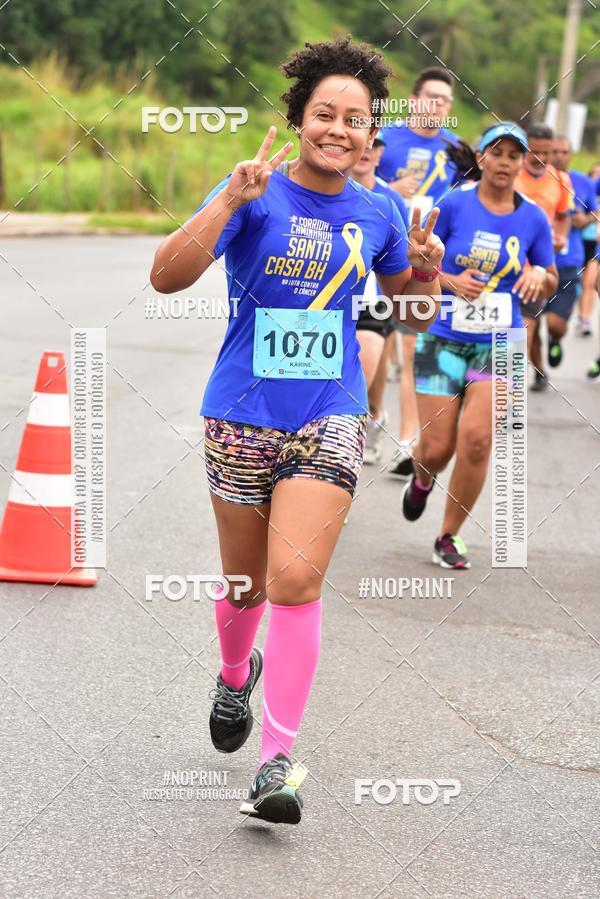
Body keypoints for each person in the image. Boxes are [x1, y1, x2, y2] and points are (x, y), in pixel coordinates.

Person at [150, 36, 444, 825]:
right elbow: (165, 274)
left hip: (330, 414)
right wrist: (226, 203)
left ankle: (276, 761)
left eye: (355, 119)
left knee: (294, 581)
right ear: (300, 119)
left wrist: (421, 267)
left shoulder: (380, 211)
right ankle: (231, 669)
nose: (339, 129)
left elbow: (408, 314)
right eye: (325, 114)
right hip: (240, 413)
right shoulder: (255, 190)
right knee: (246, 584)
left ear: (368, 133)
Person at [402, 123, 557, 569]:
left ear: (523, 162)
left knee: (477, 442)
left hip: (501, 343)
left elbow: (548, 276)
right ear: (483, 158)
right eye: (498, 152)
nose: (506, 162)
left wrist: (537, 276)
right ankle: (422, 480)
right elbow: (424, 261)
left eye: (515, 155)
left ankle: (448, 535)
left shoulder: (532, 217)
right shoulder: (454, 202)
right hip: (441, 336)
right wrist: (450, 280)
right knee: (436, 449)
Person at [377, 67, 462, 478]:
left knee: (411, 349)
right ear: (413, 100)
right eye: (431, 97)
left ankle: (408, 440)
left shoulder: (455, 149)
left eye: (445, 100)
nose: (439, 105)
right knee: (372, 350)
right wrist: (389, 184)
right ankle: (374, 418)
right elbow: (355, 173)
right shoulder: (387, 137)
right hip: (377, 250)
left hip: (423, 257)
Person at [351, 131, 410, 463]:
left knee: (360, 377)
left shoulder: (390, 201)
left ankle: (340, 473)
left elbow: (399, 261)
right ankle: (375, 416)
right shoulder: (326, 190)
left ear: (379, 154)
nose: (365, 152)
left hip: (374, 302)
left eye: (374, 147)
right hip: (327, 304)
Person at [514, 123, 571, 391]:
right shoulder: (511, 172)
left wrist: (560, 238)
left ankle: (508, 390)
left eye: (544, 153)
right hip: (501, 264)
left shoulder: (561, 179)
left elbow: (562, 217)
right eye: (533, 152)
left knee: (526, 327)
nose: (539, 158)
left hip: (536, 267)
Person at [548, 137, 598, 367]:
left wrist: (585, 220)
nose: (559, 156)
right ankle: (537, 373)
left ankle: (554, 340)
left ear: (571, 154)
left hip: (569, 258)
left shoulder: (583, 182)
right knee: (529, 324)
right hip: (534, 261)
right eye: (554, 151)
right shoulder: (538, 180)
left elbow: (595, 213)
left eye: (564, 151)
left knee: (555, 324)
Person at [578, 162, 600, 336]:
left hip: (596, 246)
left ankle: (584, 319)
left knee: (590, 283)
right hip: (580, 240)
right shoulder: (591, 186)